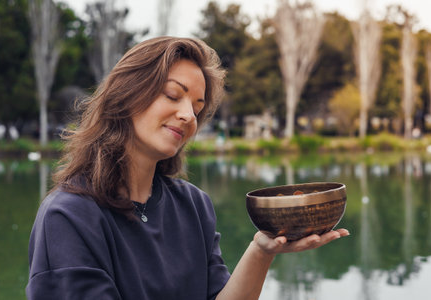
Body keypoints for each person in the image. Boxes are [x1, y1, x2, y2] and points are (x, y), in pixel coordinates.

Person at [26, 36, 349, 300]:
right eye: (173, 95)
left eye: (198, 106)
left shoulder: (193, 205)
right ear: (126, 95)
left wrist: (262, 251)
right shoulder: (68, 217)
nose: (188, 116)